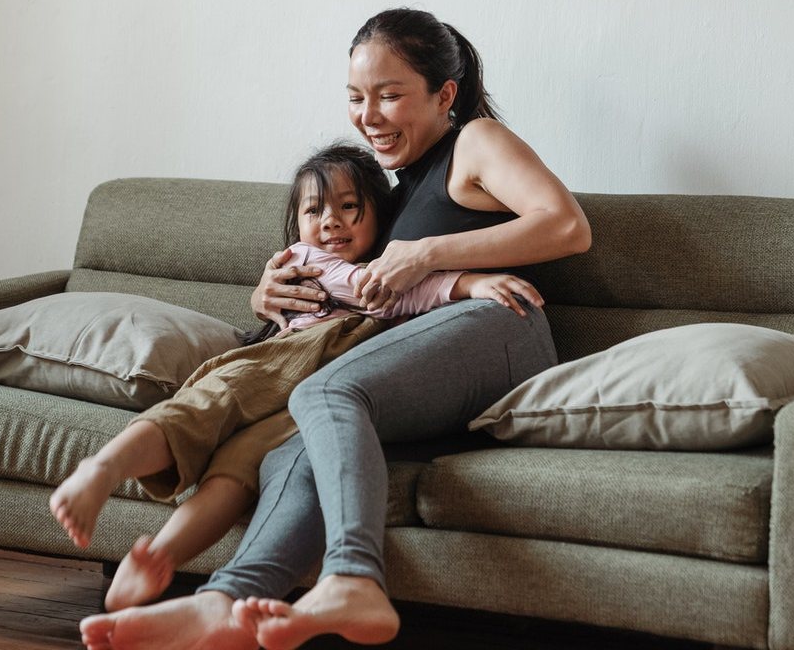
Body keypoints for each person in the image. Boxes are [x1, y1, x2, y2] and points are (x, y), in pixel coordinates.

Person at [78, 7, 591, 650]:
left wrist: (429, 255)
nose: (368, 115)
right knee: (294, 446)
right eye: (355, 97)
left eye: (389, 95)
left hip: (502, 328)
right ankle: (225, 601)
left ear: (446, 94)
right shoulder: (392, 187)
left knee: (320, 394)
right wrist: (271, 293)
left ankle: (354, 577)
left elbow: (567, 226)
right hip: (426, 364)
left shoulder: (476, 141)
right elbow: (345, 278)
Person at [49, 142, 535, 612]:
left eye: (349, 206)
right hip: (291, 353)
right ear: (297, 225)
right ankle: (103, 468)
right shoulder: (303, 260)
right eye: (315, 211)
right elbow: (378, 290)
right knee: (210, 405)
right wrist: (463, 282)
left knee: (243, 464)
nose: (331, 222)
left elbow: (412, 295)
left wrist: (470, 283)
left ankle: (163, 555)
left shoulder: (388, 265)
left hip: (331, 378)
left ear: (379, 214)